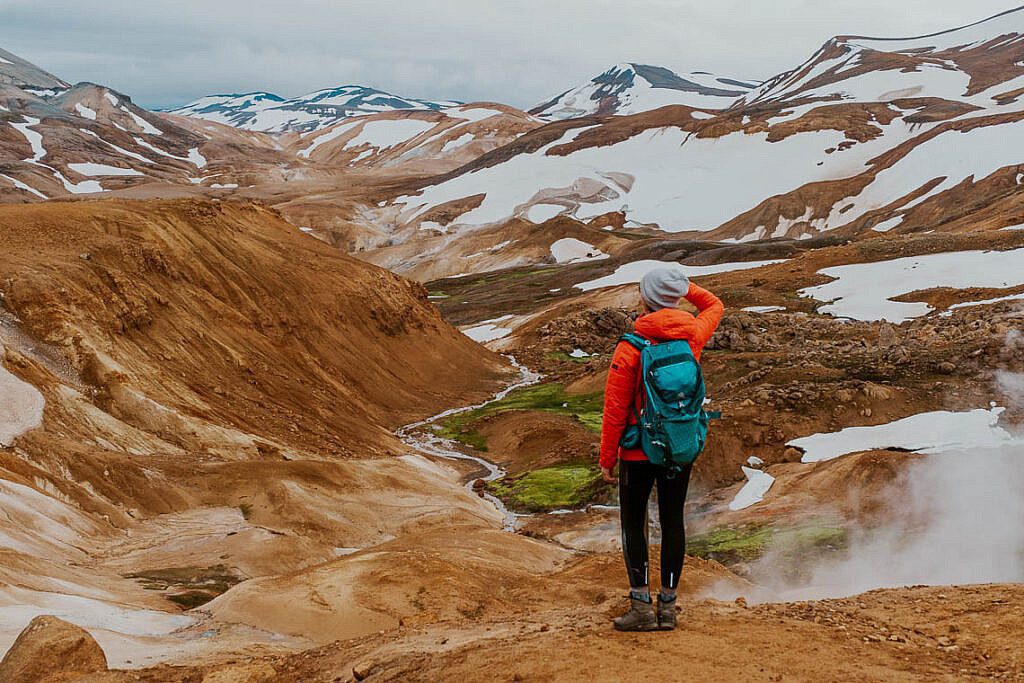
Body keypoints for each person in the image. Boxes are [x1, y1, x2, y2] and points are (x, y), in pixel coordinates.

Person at [599, 267, 723, 631]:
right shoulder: (693, 336)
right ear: (675, 296)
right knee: (673, 521)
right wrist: (686, 287)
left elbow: (615, 408)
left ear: (645, 299)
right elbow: (714, 304)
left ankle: (640, 607)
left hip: (638, 452)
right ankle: (668, 608)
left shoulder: (632, 345)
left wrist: (608, 457)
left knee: (633, 525)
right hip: (678, 446)